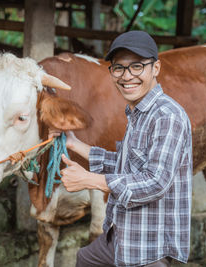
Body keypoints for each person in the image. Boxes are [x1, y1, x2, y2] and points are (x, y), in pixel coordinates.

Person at [53, 31, 193, 267]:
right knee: (86, 258)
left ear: (155, 68)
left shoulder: (167, 116)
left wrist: (90, 179)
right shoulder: (137, 112)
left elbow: (155, 182)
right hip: (122, 232)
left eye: (137, 66)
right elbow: (128, 164)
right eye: (118, 68)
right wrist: (75, 144)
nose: (127, 76)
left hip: (149, 244)